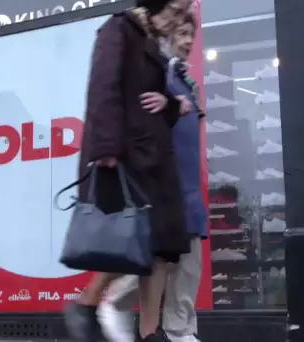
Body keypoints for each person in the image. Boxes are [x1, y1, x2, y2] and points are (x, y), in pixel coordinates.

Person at [64, 1, 194, 341]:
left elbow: (155, 101)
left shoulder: (152, 43)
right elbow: (102, 87)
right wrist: (105, 148)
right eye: (176, 9)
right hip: (128, 157)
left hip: (155, 158)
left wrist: (169, 104)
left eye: (183, 13)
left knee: (162, 248)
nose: (178, 19)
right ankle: (86, 304)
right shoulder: (118, 29)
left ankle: (152, 332)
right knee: (137, 239)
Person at [98, 10, 207, 342]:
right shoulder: (158, 71)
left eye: (192, 35)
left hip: (188, 183)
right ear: (168, 33)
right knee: (160, 259)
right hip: (163, 182)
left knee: (189, 264)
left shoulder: (189, 83)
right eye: (182, 33)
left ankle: (179, 330)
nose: (188, 41)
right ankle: (113, 302)